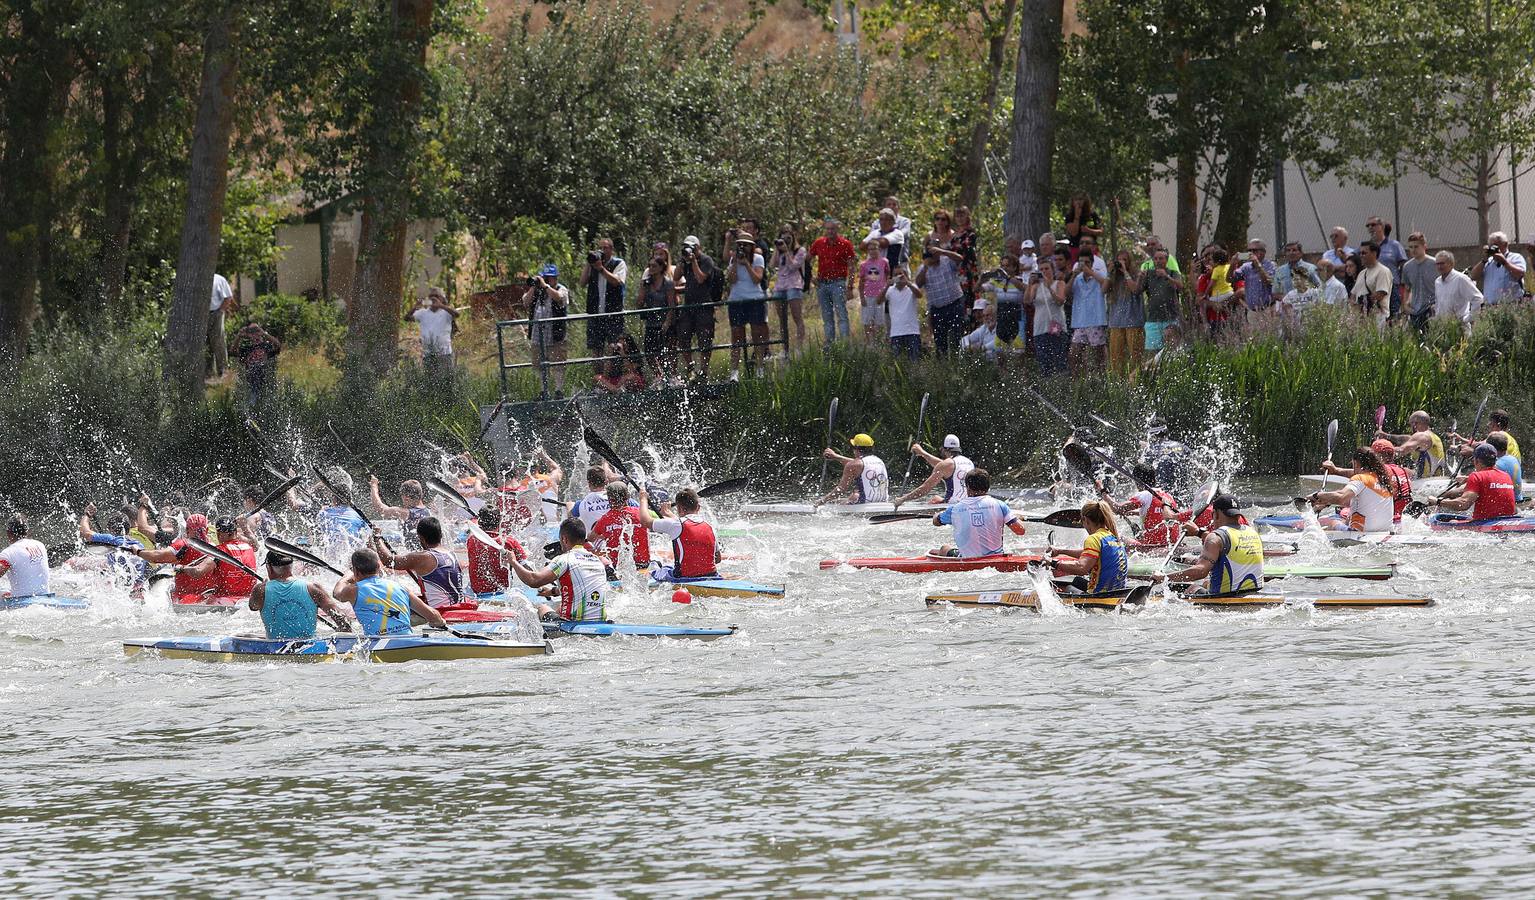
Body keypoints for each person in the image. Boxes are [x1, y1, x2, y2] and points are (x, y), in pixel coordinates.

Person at [1158, 495, 1264, 594]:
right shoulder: (1253, 533)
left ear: (1215, 514)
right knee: (1206, 582)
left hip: (1223, 598)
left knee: (1177, 588)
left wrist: (1164, 578)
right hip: (1253, 593)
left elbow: (1201, 571)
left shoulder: (1215, 537)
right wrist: (1199, 533)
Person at [334, 548, 447, 635]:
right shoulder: (401, 587)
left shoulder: (353, 590)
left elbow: (336, 594)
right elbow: (433, 615)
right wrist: (439, 622)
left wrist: (346, 577)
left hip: (377, 645)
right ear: (379, 567)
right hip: (407, 641)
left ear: (355, 571)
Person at [247, 551, 351, 640]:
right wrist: (343, 632)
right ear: (291, 566)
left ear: (269, 567)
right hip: (310, 649)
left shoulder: (260, 590)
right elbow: (343, 620)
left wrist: (263, 585)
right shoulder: (313, 588)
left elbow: (253, 606)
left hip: (275, 649)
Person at [928, 469, 1025, 558]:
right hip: (995, 558)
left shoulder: (954, 509)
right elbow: (1020, 531)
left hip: (967, 559)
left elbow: (936, 522)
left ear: (968, 487)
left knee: (943, 548)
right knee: (938, 550)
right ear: (987, 487)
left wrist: (937, 515)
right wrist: (1017, 518)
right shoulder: (1000, 505)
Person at [376, 516, 465, 611]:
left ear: (421, 538)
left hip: (440, 612)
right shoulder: (452, 554)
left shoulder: (423, 557)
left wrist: (377, 537)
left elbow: (389, 561)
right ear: (441, 535)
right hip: (461, 607)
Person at [136, 513, 220, 604]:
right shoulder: (216, 548)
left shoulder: (183, 545)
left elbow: (156, 557)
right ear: (207, 530)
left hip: (184, 597)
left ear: (187, 530)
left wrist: (137, 552)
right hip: (208, 596)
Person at [1321, 438, 1414, 520]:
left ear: (1377, 456)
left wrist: (1325, 498)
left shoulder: (1381, 471)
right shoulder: (1404, 471)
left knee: (1343, 511)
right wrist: (1336, 471)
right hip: (1402, 518)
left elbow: (1359, 474)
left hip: (1386, 519)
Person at [640, 487, 720, 581]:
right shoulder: (710, 527)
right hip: (712, 576)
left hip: (684, 578)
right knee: (668, 567)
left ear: (679, 508)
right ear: (698, 507)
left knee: (656, 568)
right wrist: (668, 513)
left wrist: (643, 499)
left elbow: (645, 521)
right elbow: (717, 559)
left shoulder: (675, 525)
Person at [1310, 447, 1397, 533]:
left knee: (1332, 523)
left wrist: (1315, 496)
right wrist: (1325, 501)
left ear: (1356, 463)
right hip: (1386, 532)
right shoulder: (1384, 481)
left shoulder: (1360, 478)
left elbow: (1341, 497)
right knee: (1347, 519)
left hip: (1360, 532)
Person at [1051, 501, 1128, 593]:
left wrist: (1053, 563)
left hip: (1099, 596)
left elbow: (1081, 568)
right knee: (1077, 581)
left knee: (1061, 588)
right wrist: (1060, 551)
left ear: (1085, 519)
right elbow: (1088, 555)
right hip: (1118, 592)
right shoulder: (1112, 537)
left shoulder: (1093, 539)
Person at [1433, 443, 1516, 520]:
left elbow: (1463, 504)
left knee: (1452, 522)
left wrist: (1438, 501)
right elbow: (1488, 482)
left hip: (1484, 524)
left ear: (1476, 461)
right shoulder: (1506, 476)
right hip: (1508, 520)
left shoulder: (1476, 476)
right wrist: (1468, 479)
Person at [674, 235, 717, 382]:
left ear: (698, 248)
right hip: (689, 305)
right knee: (683, 336)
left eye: (692, 247)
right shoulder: (685, 261)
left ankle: (704, 371)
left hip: (704, 305)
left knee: (705, 340)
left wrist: (693, 262)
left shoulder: (706, 260)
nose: (689, 250)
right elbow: (676, 276)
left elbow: (700, 278)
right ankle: (690, 368)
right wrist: (683, 260)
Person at [725, 236, 768, 381]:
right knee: (736, 336)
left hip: (754, 300)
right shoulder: (734, 259)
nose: (743, 247)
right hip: (736, 301)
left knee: (757, 334)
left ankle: (760, 368)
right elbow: (731, 279)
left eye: (746, 245)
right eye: (740, 244)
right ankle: (734, 372)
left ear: (752, 246)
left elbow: (757, 279)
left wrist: (747, 264)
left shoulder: (758, 258)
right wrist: (737, 263)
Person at [809, 218, 857, 344]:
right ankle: (830, 345)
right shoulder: (819, 243)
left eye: (832, 229)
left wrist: (850, 287)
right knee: (827, 316)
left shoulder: (845, 244)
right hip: (822, 283)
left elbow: (852, 267)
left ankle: (845, 344)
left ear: (837, 229)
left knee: (841, 314)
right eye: (828, 229)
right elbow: (806, 260)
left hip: (838, 282)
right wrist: (810, 277)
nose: (830, 231)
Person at [915, 239, 966, 355]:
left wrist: (943, 251)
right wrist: (925, 267)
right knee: (940, 342)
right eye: (930, 251)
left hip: (955, 304)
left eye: (934, 250)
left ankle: (957, 363)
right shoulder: (923, 268)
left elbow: (960, 259)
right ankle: (943, 367)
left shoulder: (947, 260)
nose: (933, 254)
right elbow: (917, 284)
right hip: (937, 309)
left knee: (956, 338)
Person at [894, 434, 974, 508]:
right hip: (969, 503)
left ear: (943, 449)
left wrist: (902, 499)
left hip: (953, 506)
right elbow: (944, 465)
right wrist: (922, 453)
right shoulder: (969, 462)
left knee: (933, 501)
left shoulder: (946, 465)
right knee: (936, 499)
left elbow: (925, 489)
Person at [1068, 236, 1109, 372]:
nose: (1083, 265)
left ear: (1091, 263)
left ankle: (1103, 380)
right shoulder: (1077, 278)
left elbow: (1106, 284)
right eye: (1081, 262)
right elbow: (1066, 292)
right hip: (1079, 321)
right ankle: (1078, 383)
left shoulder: (1098, 273)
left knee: (1098, 354)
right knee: (1074, 353)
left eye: (1086, 262)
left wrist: (1090, 272)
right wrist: (1073, 275)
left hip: (1095, 320)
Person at [590, 481, 651, 570]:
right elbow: (659, 521)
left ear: (609, 499)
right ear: (628, 497)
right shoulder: (641, 514)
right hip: (643, 564)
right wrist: (643, 499)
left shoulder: (604, 519)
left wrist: (604, 535)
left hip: (617, 568)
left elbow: (591, 538)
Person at [466, 505, 527, 595]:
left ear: (479, 521)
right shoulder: (509, 542)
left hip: (476, 592)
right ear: (500, 521)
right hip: (502, 592)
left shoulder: (471, 540)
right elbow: (526, 567)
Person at [580, 237, 628, 352]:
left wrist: (601, 269)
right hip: (595, 314)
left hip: (613, 313)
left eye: (605, 248)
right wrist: (589, 263)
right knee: (596, 350)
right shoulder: (592, 266)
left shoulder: (618, 263)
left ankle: (615, 370)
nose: (602, 251)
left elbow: (617, 281)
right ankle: (599, 371)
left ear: (611, 249)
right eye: (600, 248)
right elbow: (582, 283)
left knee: (615, 347)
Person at [817, 434, 890, 505]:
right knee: (850, 497)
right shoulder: (880, 461)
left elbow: (841, 490)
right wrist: (836, 457)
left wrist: (822, 501)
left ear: (856, 449)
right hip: (882, 502)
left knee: (853, 495)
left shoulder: (853, 465)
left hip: (864, 503)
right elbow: (859, 464)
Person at [1105, 249, 1144, 374]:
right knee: (1116, 360)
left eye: (1124, 260)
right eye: (1119, 260)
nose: (1121, 262)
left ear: (1130, 262)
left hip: (1133, 322)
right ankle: (1119, 386)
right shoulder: (1114, 277)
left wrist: (1125, 272)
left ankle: (1137, 381)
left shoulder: (1137, 274)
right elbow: (1103, 289)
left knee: (1136, 357)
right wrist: (1109, 272)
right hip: (1116, 323)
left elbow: (1135, 289)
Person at [408, 287, 459, 381]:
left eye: (436, 296)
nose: (433, 298)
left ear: (442, 299)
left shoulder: (446, 312)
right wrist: (415, 306)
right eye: (430, 296)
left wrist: (441, 305)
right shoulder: (423, 313)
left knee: (446, 382)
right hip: (428, 354)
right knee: (430, 382)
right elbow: (407, 318)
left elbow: (457, 314)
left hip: (444, 354)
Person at [769, 227, 808, 350]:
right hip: (780, 285)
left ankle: (799, 347)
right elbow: (771, 265)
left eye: (788, 238)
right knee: (782, 319)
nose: (785, 241)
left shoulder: (800, 251)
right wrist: (777, 248)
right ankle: (785, 348)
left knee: (797, 317)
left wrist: (786, 251)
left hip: (794, 284)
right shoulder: (779, 251)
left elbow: (793, 266)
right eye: (783, 238)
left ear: (793, 238)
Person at [1030, 256, 1069, 376]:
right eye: (1041, 269)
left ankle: (1063, 388)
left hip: (1057, 328)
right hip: (1040, 329)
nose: (1044, 271)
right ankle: (1048, 389)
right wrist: (1029, 284)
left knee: (1060, 362)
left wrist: (1049, 288)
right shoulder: (1036, 287)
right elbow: (1027, 301)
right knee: (1044, 365)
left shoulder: (1059, 283)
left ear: (1052, 270)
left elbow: (1060, 301)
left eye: (1047, 268)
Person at [1377, 410, 1446, 478]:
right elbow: (1405, 439)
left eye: (1410, 425)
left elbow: (1401, 450)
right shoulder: (1432, 437)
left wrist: (1378, 452)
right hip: (1436, 478)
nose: (1410, 428)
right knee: (1404, 470)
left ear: (1415, 424)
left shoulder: (1422, 436)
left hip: (1427, 481)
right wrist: (1386, 436)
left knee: (1393, 472)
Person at [368, 475, 431, 548]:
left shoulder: (406, 513)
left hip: (413, 554)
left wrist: (374, 486)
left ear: (406, 498)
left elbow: (381, 509)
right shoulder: (428, 511)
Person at [985, 255, 1029, 360]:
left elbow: (1026, 288)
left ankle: (1022, 376)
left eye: (1007, 266)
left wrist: (1009, 277)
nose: (1004, 268)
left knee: (1019, 354)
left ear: (1014, 267)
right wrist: (983, 278)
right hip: (1002, 319)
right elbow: (978, 289)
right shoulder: (997, 281)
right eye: (1002, 266)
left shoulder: (1021, 279)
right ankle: (1004, 376)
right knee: (1000, 354)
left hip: (1017, 319)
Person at [1470, 231, 1527, 306]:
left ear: (1505, 244)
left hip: (1511, 306)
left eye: (1495, 246)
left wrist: (1504, 262)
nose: (1493, 249)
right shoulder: (1488, 262)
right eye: (1490, 246)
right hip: (1490, 307)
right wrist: (1483, 260)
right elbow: (1473, 276)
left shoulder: (1515, 257)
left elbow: (1520, 274)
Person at [231, 322, 281, 407]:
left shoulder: (266, 346)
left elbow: (278, 345)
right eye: (252, 332)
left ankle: (254, 401)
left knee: (259, 367)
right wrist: (239, 336)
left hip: (264, 373)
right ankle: (253, 402)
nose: (255, 334)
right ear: (248, 335)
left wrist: (264, 334)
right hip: (251, 376)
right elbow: (233, 351)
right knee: (254, 369)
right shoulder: (246, 349)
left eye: (256, 330)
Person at [1366, 216, 1407, 317]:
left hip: (1391, 288)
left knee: (1393, 318)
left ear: (1382, 226)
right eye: (1368, 225)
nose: (1370, 227)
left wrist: (1403, 285)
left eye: (1373, 225)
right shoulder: (1366, 247)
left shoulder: (1394, 245)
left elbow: (1403, 266)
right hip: (1372, 288)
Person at [0, 516, 49, 598]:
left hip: (22, 603)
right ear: (27, 531)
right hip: (46, 597)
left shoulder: (8, 553)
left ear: (8, 533)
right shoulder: (40, 545)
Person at [1432, 250, 1481, 331]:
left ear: (1451, 264)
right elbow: (1438, 304)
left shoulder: (1460, 279)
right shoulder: (1438, 282)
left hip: (1460, 327)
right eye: (1437, 264)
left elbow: (1478, 298)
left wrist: (1467, 318)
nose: (1440, 267)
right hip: (1443, 328)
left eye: (1442, 263)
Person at [573, 466, 632, 532]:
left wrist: (569, 507)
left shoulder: (579, 505)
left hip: (593, 540)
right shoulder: (621, 499)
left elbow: (570, 522)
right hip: (620, 540)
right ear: (606, 481)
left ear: (589, 484)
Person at [883, 266, 923, 360]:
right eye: (895, 275)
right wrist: (887, 286)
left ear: (906, 275)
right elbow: (879, 301)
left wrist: (908, 283)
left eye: (900, 274)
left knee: (914, 362)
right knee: (898, 365)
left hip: (912, 332)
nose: (898, 277)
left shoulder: (911, 287)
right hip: (896, 333)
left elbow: (919, 295)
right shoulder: (890, 290)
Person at [1400, 233, 1437, 332]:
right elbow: (1407, 288)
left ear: (1424, 246)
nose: (1413, 250)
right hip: (1415, 309)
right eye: (1410, 247)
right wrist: (1405, 305)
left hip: (1432, 308)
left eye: (1416, 246)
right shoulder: (1407, 267)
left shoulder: (1435, 263)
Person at [1351, 241, 1393, 329]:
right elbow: (1353, 295)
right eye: (1360, 253)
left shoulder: (1383, 271)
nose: (1361, 256)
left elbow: (1380, 294)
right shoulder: (1362, 273)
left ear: (1374, 253)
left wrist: (1363, 302)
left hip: (1378, 318)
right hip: (1362, 319)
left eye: (1364, 253)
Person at [856, 239, 891, 343]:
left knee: (879, 321)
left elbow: (887, 274)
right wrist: (862, 297)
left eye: (874, 249)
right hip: (868, 295)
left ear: (879, 249)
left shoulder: (884, 262)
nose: (872, 251)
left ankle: (878, 342)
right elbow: (861, 281)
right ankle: (869, 342)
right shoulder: (864, 264)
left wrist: (886, 289)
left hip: (880, 295)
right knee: (867, 320)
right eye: (870, 249)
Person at [1233, 239, 1276, 316]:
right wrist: (1232, 265)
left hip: (1268, 309)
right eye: (1249, 250)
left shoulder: (1271, 265)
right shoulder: (1246, 266)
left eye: (1254, 250)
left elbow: (1269, 281)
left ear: (1263, 252)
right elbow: (1229, 279)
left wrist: (1257, 264)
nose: (1251, 253)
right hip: (1252, 312)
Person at [207, 271, 234, 382]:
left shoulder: (219, 279)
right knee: (204, 342)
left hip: (216, 313)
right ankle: (208, 372)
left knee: (218, 341)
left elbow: (228, 297)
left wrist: (220, 311)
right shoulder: (197, 278)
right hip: (200, 315)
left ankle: (223, 370)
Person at [1486, 432, 1525, 503]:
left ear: (1492, 449)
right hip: (1518, 500)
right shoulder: (1513, 459)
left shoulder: (1498, 465)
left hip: (1510, 504)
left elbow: (1482, 479)